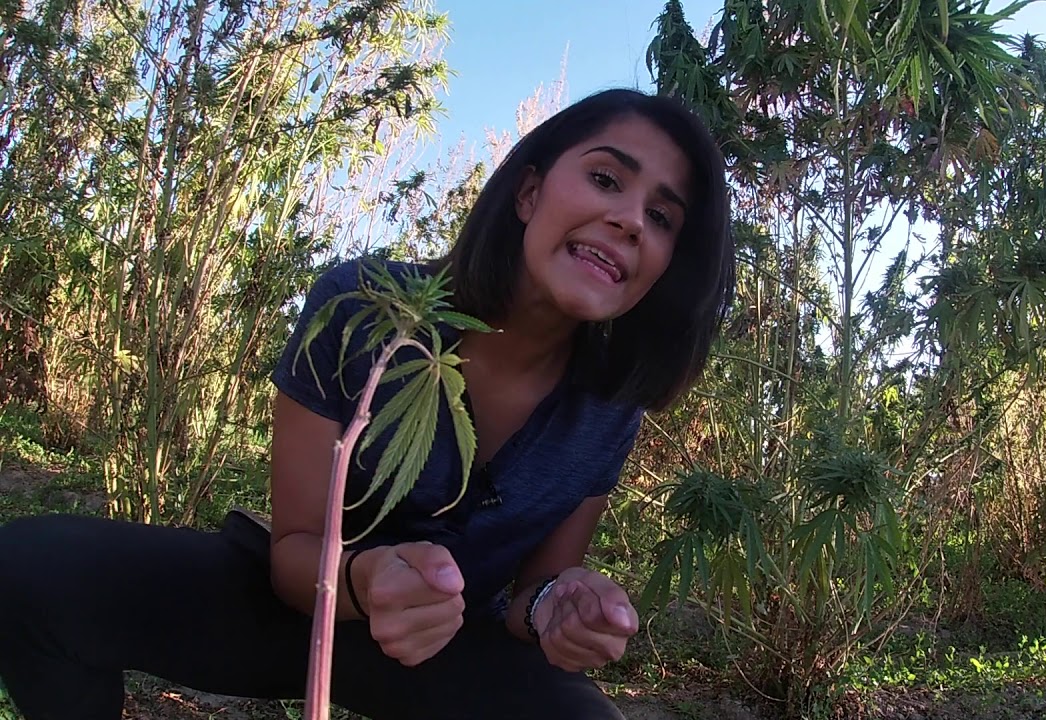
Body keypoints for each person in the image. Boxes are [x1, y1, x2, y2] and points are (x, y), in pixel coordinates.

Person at [0, 88, 735, 719]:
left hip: (447, 647)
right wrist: (365, 579)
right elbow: (292, 554)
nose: (632, 220)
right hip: (293, 604)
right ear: (529, 192)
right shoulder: (365, 307)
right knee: (28, 572)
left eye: (663, 219)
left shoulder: (609, 407)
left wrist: (557, 609)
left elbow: (533, 592)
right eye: (607, 179)